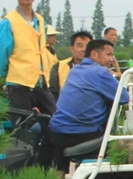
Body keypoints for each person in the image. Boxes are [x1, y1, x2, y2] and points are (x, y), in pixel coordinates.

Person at [46, 39, 128, 168]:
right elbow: (124, 97)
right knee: (119, 145)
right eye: (109, 54)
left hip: (57, 132)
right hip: (80, 135)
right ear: (94, 54)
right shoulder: (100, 72)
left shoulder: (75, 70)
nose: (112, 59)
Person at [0, 0, 57, 121]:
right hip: (19, 86)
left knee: (54, 122)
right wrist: (9, 74)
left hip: (41, 83)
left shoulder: (41, 20)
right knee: (22, 130)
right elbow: (0, 55)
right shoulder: (8, 22)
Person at [50, 30, 93, 99]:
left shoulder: (98, 68)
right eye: (80, 46)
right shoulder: (59, 67)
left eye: (87, 46)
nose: (84, 49)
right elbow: (52, 93)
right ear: (72, 49)